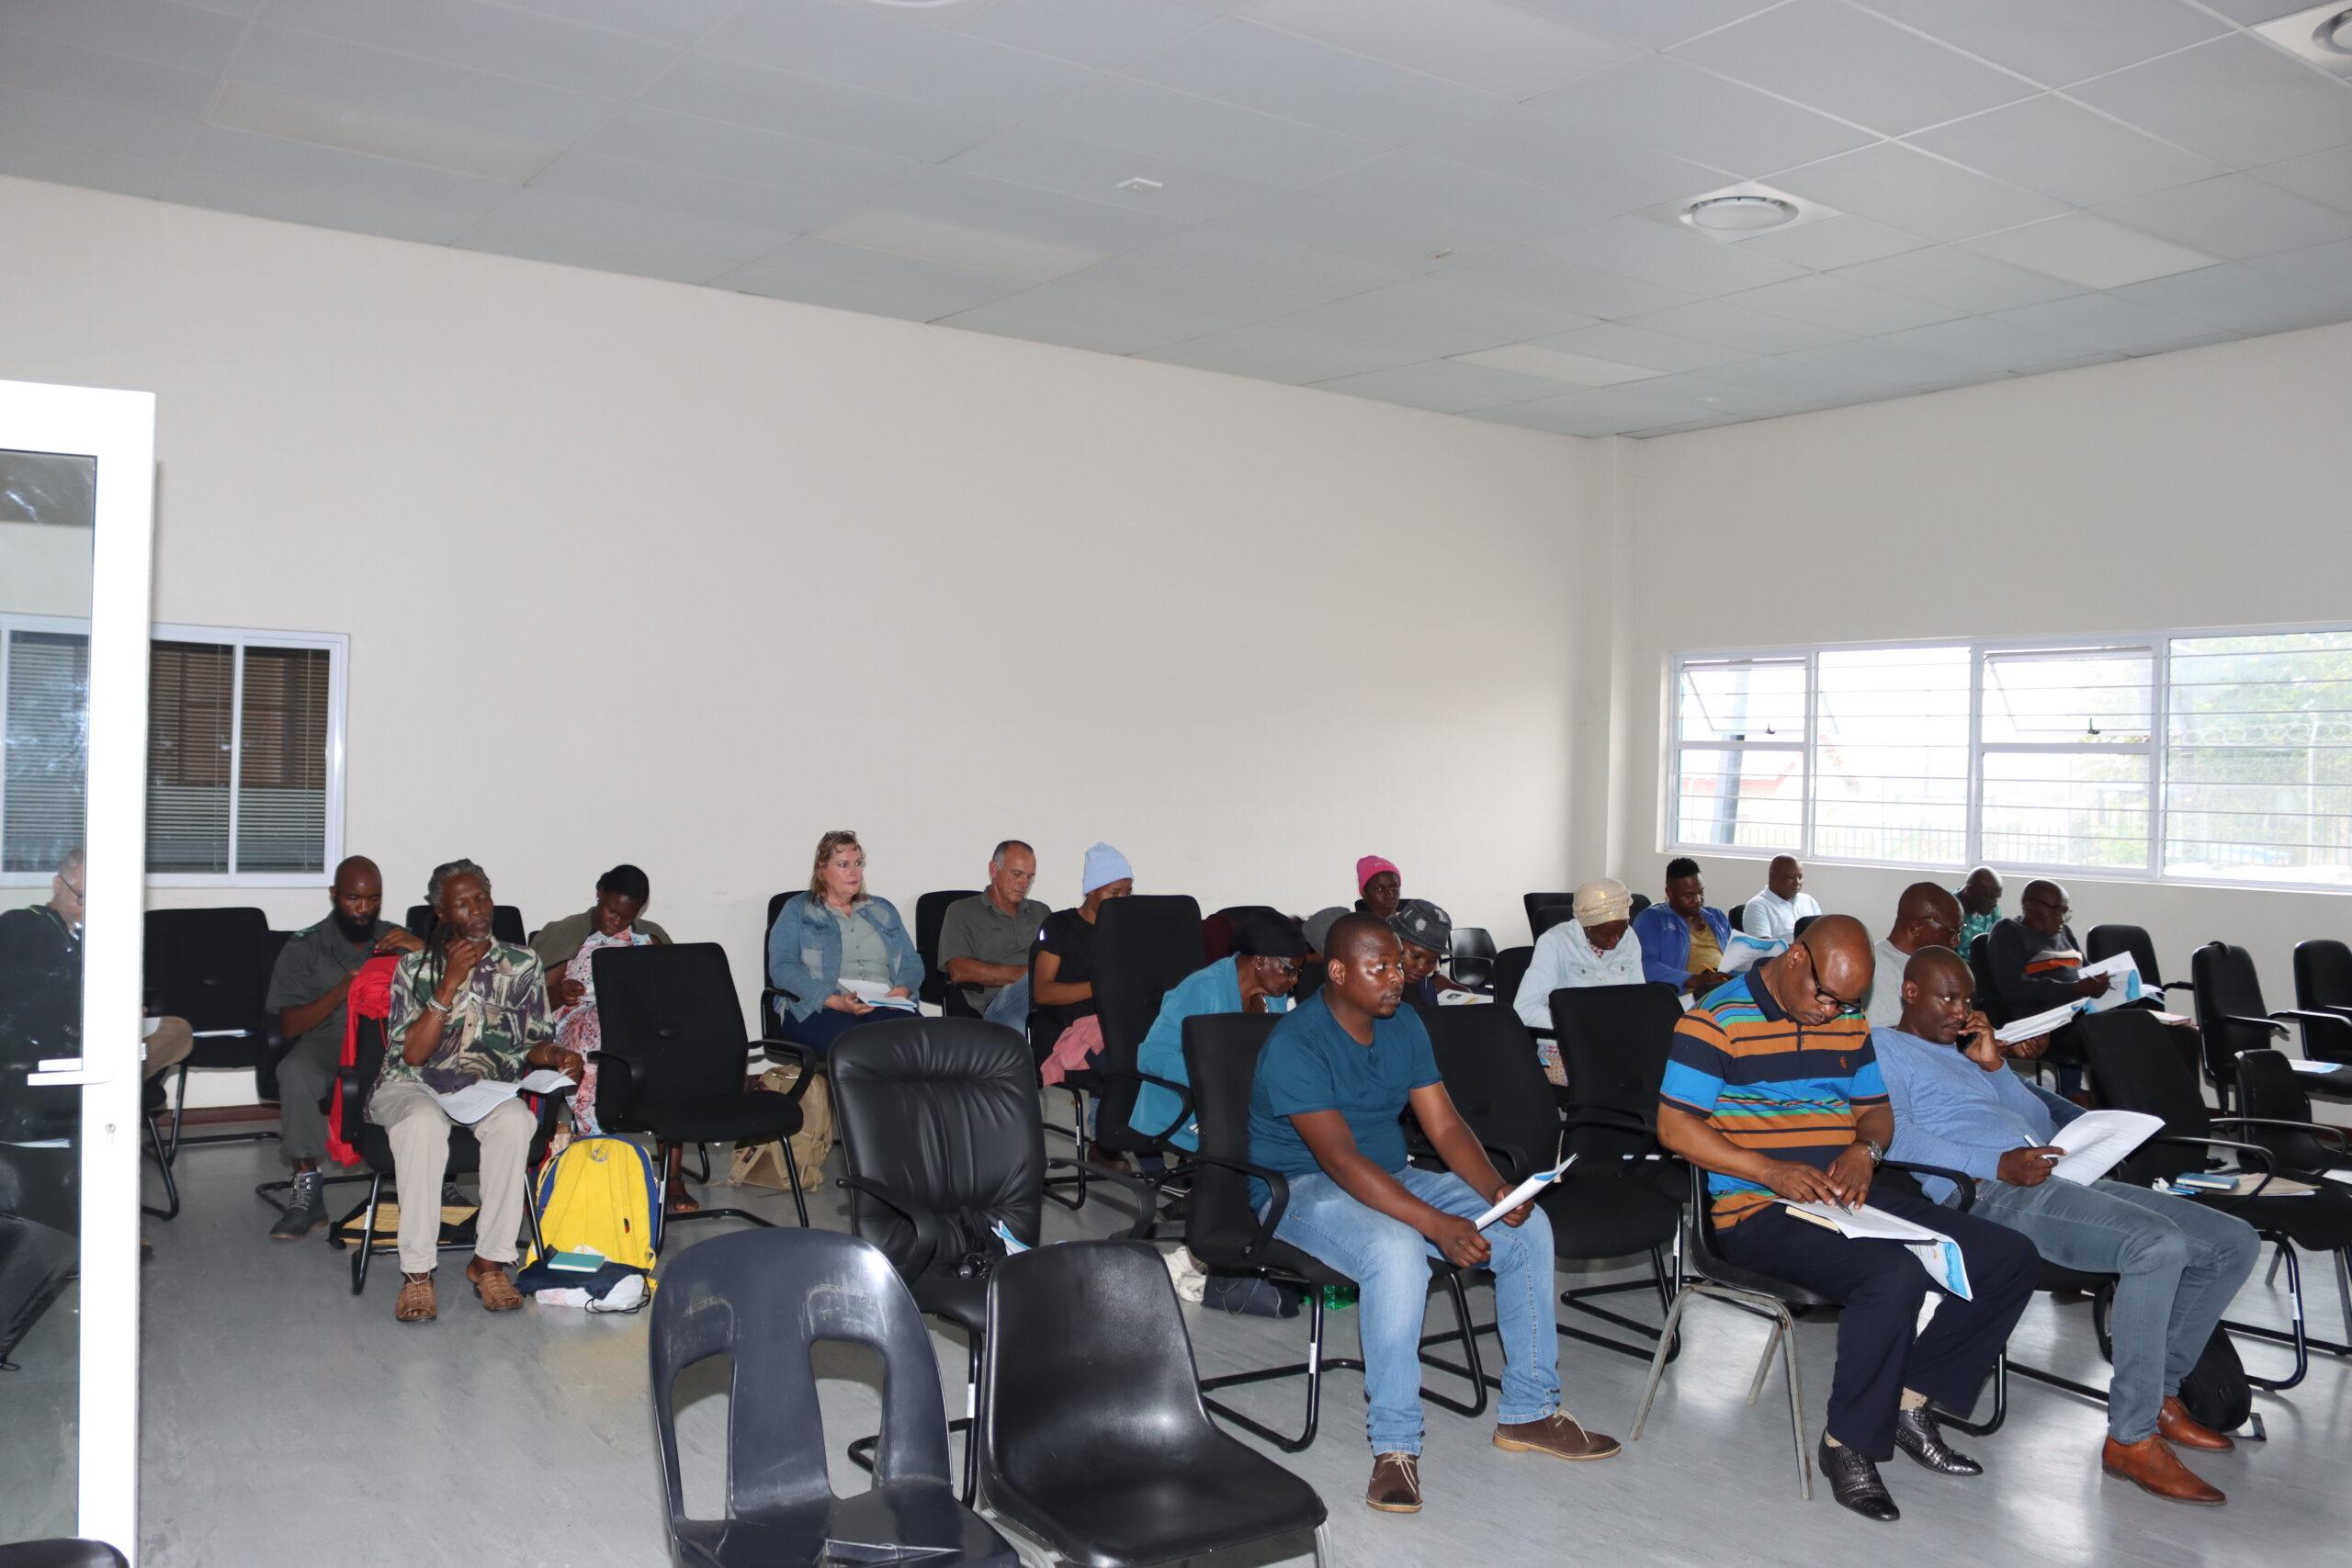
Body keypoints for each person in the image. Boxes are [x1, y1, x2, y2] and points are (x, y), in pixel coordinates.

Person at [1657, 916, 2039, 1522]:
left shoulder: (1847, 1019)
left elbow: (1875, 1112)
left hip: (1846, 1193)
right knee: (1891, 1276)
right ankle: (1848, 1444)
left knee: (2008, 1257)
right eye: (1826, 995)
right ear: (1795, 958)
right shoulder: (1715, 1020)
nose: (1831, 1011)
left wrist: (1866, 1149)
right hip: (1756, 1209)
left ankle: (1908, 1402)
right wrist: (1768, 1170)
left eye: (1847, 1001)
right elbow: (1675, 1128)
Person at [1250, 914, 1620, 1515]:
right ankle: (1395, 1447)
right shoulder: (1298, 1043)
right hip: (1300, 1189)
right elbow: (1339, 1160)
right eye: (1380, 967)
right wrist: (1434, 1224)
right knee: (1397, 1252)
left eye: (1399, 965)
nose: (1397, 978)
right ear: (1337, 971)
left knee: (1526, 1228)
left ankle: (1530, 1410)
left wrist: (1496, 1191)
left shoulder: (1403, 1023)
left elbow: (1444, 1125)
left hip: (1390, 1175)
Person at [1874, 947, 2258, 1506]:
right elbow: (1894, 1138)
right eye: (1947, 998)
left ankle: (2159, 1396)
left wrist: (1995, 1068)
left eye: (1967, 1000)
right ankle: (2132, 1437)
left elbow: (2036, 1123)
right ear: (1910, 993)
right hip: (1988, 1193)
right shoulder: (1884, 1048)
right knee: (2155, 1245)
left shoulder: (1965, 1053)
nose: (1961, 1011)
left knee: (2231, 1242)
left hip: (2049, 1178)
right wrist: (1995, 1164)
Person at [371, 860, 583, 1324]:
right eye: (463, 904)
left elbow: (532, 1042)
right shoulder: (414, 967)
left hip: (481, 1087)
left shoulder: (522, 963)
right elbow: (413, 1054)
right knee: (423, 1124)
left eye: (482, 898)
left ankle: (488, 1263)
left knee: (517, 1121)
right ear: (442, 913)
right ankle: (417, 1273)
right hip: (412, 1084)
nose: (478, 910)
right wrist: (449, 982)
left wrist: (556, 1055)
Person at [262, 854, 424, 1239]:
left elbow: (451, 989)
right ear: (334, 894)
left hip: (392, 1037)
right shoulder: (305, 946)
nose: (364, 908)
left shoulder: (398, 938)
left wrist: (422, 949)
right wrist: (342, 990)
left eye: (374, 899)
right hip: (329, 1038)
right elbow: (289, 1026)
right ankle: (306, 1184)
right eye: (354, 898)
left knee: (440, 1064)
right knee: (295, 1071)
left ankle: (442, 1178)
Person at [0, 848, 198, 1108]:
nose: (91, 908)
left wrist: (128, 1010)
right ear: (58, 886)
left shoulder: (100, 935)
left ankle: (110, 1089)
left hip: (102, 1038)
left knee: (178, 1031)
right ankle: (110, 1091)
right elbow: (31, 1003)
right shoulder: (21, 924)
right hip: (52, 1044)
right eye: (83, 897)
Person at [1130, 908, 1306, 1152]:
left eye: (1298, 972)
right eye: (1289, 970)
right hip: (1185, 1114)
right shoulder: (1202, 989)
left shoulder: (1274, 997)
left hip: (1240, 1109)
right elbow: (1151, 1056)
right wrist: (1217, 1079)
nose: (1294, 980)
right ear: (1259, 961)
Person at [766, 829, 923, 1058]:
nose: (854, 872)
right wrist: (832, 1000)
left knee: (923, 1045)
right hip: (821, 1008)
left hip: (885, 1005)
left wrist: (904, 988)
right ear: (822, 869)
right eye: (843, 865)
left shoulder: (883, 909)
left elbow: (911, 960)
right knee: (860, 1050)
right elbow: (782, 968)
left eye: (858, 863)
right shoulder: (797, 910)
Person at [1989, 879, 2114, 1100]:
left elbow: (2085, 970)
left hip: (2080, 1009)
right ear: (2030, 907)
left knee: (2136, 1022)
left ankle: (2111, 1098)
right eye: (2056, 910)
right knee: (2103, 1031)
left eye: (2065, 912)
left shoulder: (2065, 933)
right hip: (2044, 1017)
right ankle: (2079, 1095)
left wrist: (2102, 980)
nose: (2062, 918)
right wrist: (2074, 989)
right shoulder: (2008, 932)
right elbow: (2014, 988)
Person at [1513, 878, 1644, 1082]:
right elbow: (1524, 1009)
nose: (1614, 942)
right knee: (1607, 1082)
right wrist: (1579, 1022)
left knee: (1657, 1073)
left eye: (1621, 931)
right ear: (1587, 927)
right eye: (1606, 935)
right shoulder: (1554, 942)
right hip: (1565, 1047)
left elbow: (1638, 998)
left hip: (1616, 1042)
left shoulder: (1629, 938)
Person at [1032, 842, 1132, 1073]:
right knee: (1120, 1062)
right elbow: (1042, 992)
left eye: (1126, 893)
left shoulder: (1127, 931)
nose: (1121, 900)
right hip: (1072, 1028)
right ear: (1091, 890)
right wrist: (1101, 987)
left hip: (1118, 1027)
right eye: (1114, 893)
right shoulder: (1059, 926)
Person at [938, 840, 1047, 1031]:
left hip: (1046, 1002)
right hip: (999, 1006)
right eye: (1017, 874)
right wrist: (1025, 975)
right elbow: (958, 970)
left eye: (1030, 877)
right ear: (994, 869)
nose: (1024, 883)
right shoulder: (962, 911)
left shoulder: (1041, 912)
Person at [1631, 857, 1730, 996]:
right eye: (1689, 895)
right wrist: (1695, 980)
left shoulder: (1717, 916)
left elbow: (1733, 956)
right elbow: (1645, 965)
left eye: (1700, 892)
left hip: (1725, 991)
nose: (1698, 900)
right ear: (1670, 893)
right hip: (1687, 998)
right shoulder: (1652, 919)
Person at [1390, 898, 1470, 1007]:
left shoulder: (1426, 988)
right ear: (1395, 941)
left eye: (1432, 961)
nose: (1422, 967)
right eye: (1416, 956)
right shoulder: (1377, 991)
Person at [1742, 855, 1821, 944]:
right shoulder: (1757, 906)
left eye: (1800, 877)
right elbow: (1764, 948)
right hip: (1782, 953)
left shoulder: (1809, 901)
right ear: (1773, 876)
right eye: (1790, 877)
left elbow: (1822, 935)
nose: (1797, 882)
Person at [1956, 867, 2003, 958]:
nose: (1993, 904)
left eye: (1996, 898)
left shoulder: (1994, 912)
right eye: (1988, 897)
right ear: (1970, 890)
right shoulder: (1949, 908)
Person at [1355, 855, 1402, 921]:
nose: (1390, 894)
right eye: (1380, 889)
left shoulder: (1411, 924)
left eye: (1394, 888)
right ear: (1365, 894)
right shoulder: (1355, 926)